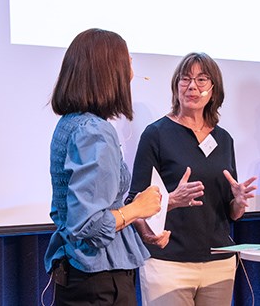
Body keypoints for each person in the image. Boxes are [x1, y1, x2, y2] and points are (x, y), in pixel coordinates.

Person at [44, 28, 169, 306]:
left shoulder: (72, 124)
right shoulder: (94, 131)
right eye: (129, 62)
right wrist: (137, 208)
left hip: (86, 277)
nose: (132, 72)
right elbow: (87, 224)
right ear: (108, 71)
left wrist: (136, 221)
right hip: (98, 283)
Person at [127, 52, 258, 306]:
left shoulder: (224, 139)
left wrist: (239, 203)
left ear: (214, 89)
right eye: (185, 79)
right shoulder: (156, 135)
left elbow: (230, 212)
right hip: (168, 263)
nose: (192, 86)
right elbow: (135, 201)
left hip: (218, 262)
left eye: (201, 80)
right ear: (176, 86)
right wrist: (170, 200)